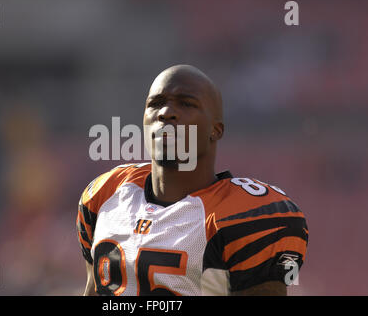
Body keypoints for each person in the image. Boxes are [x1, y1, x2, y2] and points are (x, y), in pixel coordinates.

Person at [76, 65, 308, 296]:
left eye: (186, 103)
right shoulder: (106, 194)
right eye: (155, 104)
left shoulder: (245, 218)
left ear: (215, 130)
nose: (166, 112)